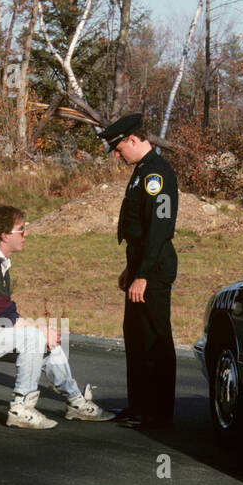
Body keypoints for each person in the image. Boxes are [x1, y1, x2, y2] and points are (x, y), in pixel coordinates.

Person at [0, 205, 115, 429]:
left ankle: (75, 402)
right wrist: (40, 330)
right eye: (21, 230)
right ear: (5, 236)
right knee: (34, 338)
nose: (26, 234)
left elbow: (3, 314)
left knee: (47, 341)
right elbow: (6, 314)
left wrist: (43, 332)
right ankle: (21, 408)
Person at [98, 113, 178, 429]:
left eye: (119, 149)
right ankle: (139, 405)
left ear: (134, 139)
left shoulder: (158, 174)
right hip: (140, 263)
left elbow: (160, 228)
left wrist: (143, 274)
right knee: (135, 336)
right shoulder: (142, 171)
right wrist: (130, 270)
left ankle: (157, 413)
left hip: (154, 268)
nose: (117, 156)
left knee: (154, 337)